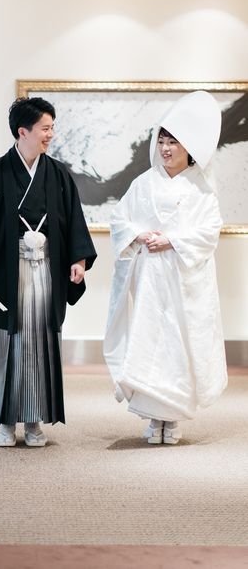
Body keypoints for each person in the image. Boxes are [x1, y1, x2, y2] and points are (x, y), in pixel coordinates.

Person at [0, 97, 97, 448]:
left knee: (41, 342)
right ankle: (6, 422)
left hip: (45, 272)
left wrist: (79, 260)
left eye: (52, 128)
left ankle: (35, 420)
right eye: (45, 128)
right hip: (6, 275)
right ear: (23, 132)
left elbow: (74, 222)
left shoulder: (58, 175)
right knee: (7, 343)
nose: (50, 134)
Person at [104, 90, 228, 445]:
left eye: (173, 142)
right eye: (161, 141)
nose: (166, 149)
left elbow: (210, 231)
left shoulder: (201, 189)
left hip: (183, 282)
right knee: (149, 343)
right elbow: (120, 219)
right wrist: (140, 235)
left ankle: (171, 419)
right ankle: (152, 417)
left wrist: (172, 240)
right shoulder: (143, 183)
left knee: (178, 345)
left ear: (188, 147)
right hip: (150, 280)